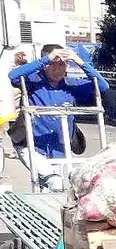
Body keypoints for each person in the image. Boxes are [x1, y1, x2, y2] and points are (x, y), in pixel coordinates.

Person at [9, 44, 109, 192]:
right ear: (46, 65)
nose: (60, 68)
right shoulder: (32, 82)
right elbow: (13, 76)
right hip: (32, 146)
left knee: (50, 190)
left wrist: (78, 60)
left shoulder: (71, 85)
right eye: (55, 63)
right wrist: (46, 58)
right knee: (55, 182)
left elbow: (103, 86)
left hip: (60, 149)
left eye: (64, 63)